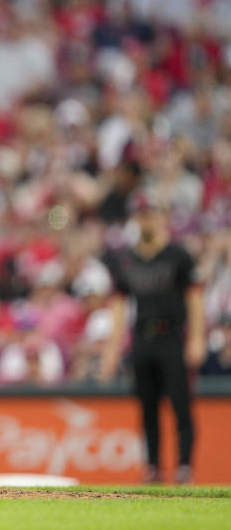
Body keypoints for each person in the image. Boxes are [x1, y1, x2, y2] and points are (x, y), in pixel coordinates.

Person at [100, 194, 206, 483]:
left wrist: (197, 337)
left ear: (161, 217)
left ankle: (184, 467)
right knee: (147, 405)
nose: (146, 219)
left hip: (173, 335)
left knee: (181, 403)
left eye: (151, 214)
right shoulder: (127, 259)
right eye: (142, 214)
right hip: (143, 337)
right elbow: (120, 306)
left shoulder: (178, 255)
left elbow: (194, 297)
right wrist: (112, 349)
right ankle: (153, 467)